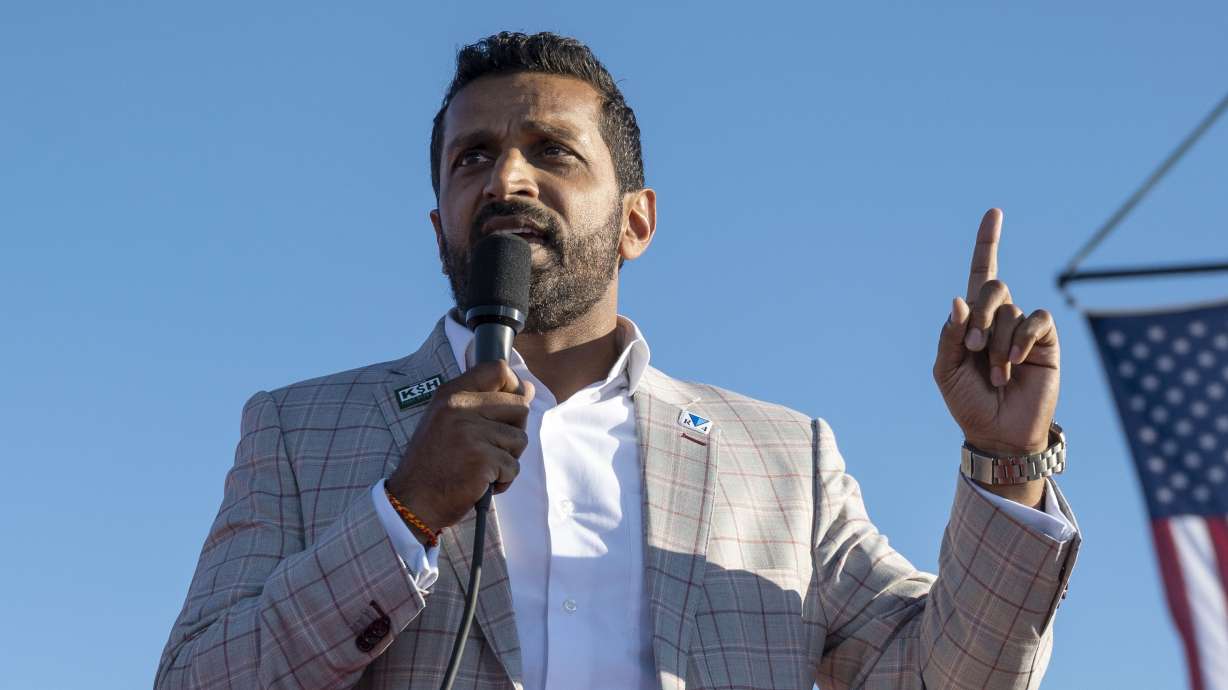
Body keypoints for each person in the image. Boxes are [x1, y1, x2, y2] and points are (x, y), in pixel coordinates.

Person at [156, 31, 1079, 690]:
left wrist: (1006, 471)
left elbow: (948, 678)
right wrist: (401, 516)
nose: (506, 179)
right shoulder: (298, 431)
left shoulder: (783, 459)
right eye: (471, 159)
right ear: (439, 220)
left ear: (636, 220)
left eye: (551, 152)